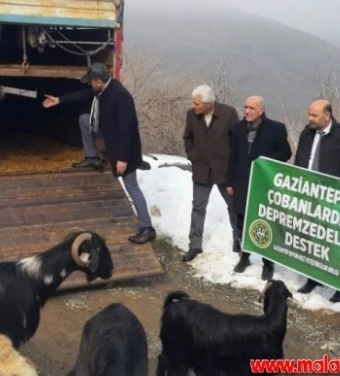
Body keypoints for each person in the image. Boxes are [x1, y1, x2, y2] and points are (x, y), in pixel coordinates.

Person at [43, 63, 156, 244]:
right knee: (84, 119)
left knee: (132, 187)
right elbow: (83, 95)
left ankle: (147, 228)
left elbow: (128, 130)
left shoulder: (120, 96)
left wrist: (122, 158)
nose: (89, 86)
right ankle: (92, 157)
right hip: (108, 133)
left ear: (98, 81)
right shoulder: (102, 90)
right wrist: (59, 100)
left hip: (124, 147)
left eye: (91, 82)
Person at [293, 99, 340, 303]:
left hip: (334, 198)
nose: (310, 118)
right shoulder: (307, 133)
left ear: (327, 115)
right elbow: (300, 161)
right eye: (309, 114)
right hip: (309, 195)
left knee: (334, 241)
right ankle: (313, 277)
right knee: (312, 239)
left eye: (314, 115)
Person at [227, 96, 292, 279]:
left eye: (251, 108)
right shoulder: (238, 127)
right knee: (241, 222)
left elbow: (286, 152)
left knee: (264, 222)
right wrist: (230, 182)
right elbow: (233, 155)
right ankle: (245, 256)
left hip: (263, 184)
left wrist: (265, 162)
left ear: (261, 111)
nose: (247, 111)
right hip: (241, 182)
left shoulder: (276, 129)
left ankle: (268, 263)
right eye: (245, 107)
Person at [181, 85, 240, 262]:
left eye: (197, 103)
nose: (194, 106)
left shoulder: (228, 114)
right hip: (201, 169)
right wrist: (193, 156)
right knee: (198, 207)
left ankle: (238, 238)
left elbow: (238, 141)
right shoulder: (192, 115)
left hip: (224, 170)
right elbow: (187, 137)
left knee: (233, 206)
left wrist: (234, 166)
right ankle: (194, 244)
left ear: (208, 104)